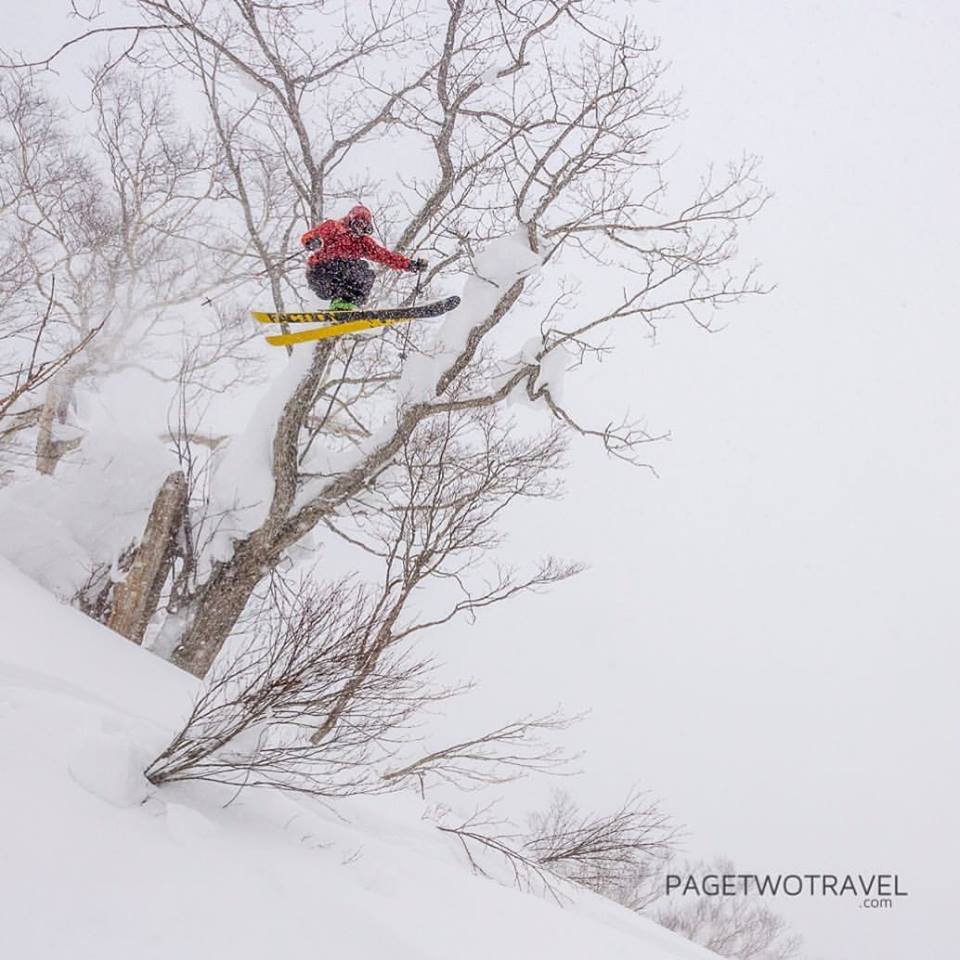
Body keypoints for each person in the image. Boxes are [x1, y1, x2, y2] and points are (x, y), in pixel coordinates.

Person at [300, 204, 427, 310]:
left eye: (363, 227)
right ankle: (341, 302)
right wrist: (311, 241)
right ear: (350, 221)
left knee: (367, 274)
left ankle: (347, 306)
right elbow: (310, 235)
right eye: (357, 224)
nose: (359, 230)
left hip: (338, 283)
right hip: (320, 274)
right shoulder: (334, 227)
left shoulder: (363, 243)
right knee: (349, 265)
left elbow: (386, 256)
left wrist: (410, 265)